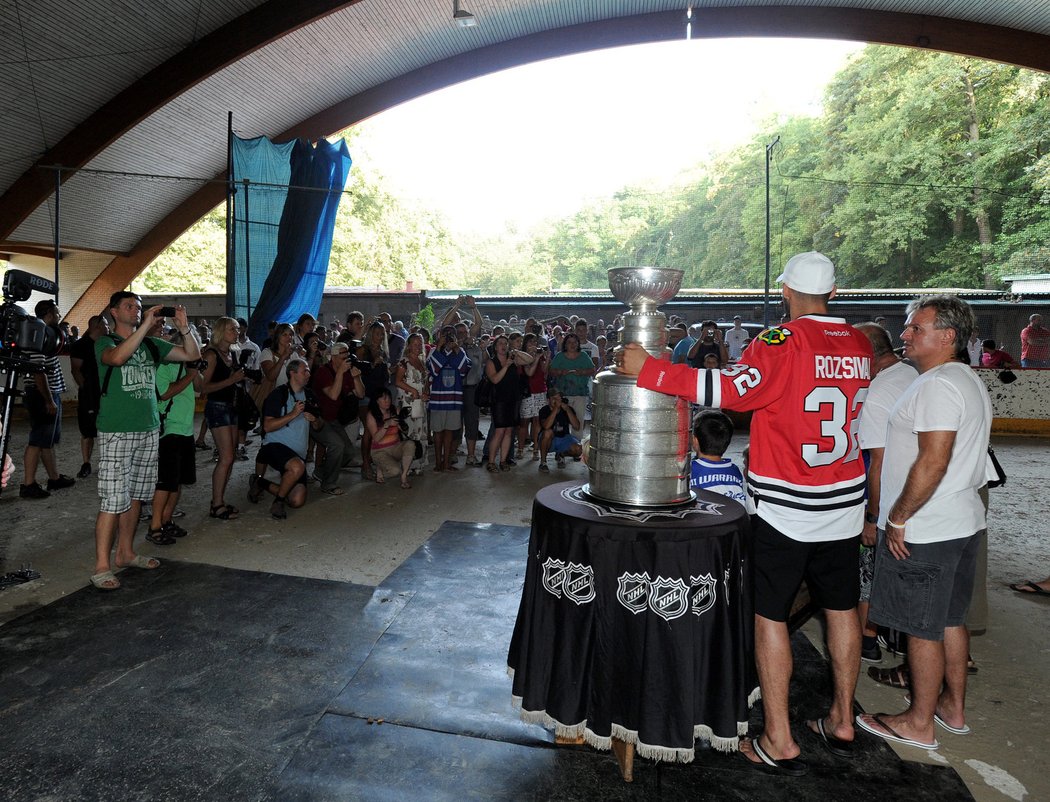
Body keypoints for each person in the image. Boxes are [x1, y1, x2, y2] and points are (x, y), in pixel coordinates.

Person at [620, 251, 873, 776]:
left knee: (770, 615)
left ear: (786, 291)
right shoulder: (859, 342)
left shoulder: (779, 341)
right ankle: (844, 717)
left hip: (787, 505)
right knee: (843, 608)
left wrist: (652, 371)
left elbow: (732, 392)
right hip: (845, 499)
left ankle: (779, 738)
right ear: (834, 292)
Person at [856, 295, 992, 751]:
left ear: (948, 337)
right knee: (950, 619)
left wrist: (896, 517)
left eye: (917, 327)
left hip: (927, 528)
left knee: (920, 627)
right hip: (960, 520)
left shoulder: (936, 386)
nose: (906, 335)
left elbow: (933, 460)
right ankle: (951, 708)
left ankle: (918, 721)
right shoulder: (961, 378)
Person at [90, 293, 201, 591]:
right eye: (130, 306)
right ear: (114, 311)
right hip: (117, 429)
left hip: (149, 428)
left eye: (140, 307)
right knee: (113, 499)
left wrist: (184, 327)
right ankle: (102, 565)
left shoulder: (153, 344)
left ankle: (125, 552)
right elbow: (117, 359)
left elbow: (191, 355)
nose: (137, 310)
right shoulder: (106, 341)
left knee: (137, 495)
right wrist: (145, 327)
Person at [854, 322, 918, 665]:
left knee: (868, 570)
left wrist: (872, 517)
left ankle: (867, 637)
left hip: (889, 496)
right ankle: (895, 636)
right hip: (913, 494)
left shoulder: (878, 392)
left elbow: (875, 462)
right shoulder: (911, 374)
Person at [146, 322, 201, 545]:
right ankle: (155, 525)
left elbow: (200, 387)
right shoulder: (164, 365)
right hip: (169, 430)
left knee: (177, 481)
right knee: (166, 482)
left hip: (185, 429)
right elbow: (164, 393)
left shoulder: (187, 366)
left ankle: (166, 520)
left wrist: (195, 370)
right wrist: (189, 374)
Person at [19, 299, 76, 499]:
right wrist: (49, 400)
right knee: (37, 440)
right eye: (57, 313)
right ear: (50, 314)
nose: (59, 316)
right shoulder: (38, 333)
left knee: (46, 441)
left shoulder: (42, 332)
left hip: (47, 395)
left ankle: (54, 478)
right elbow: (38, 371)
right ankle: (28, 484)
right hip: (41, 395)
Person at [249, 359, 317, 519]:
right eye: (304, 371)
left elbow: (319, 426)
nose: (308, 374)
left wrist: (315, 420)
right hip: (274, 445)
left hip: (296, 452)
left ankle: (259, 482)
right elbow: (267, 426)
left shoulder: (310, 395)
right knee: (297, 467)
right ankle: (278, 502)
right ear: (292, 373)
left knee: (297, 500)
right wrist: (293, 414)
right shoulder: (278, 394)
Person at [199, 317, 245, 520]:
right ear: (220, 331)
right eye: (232, 329)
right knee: (226, 457)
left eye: (237, 329)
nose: (236, 332)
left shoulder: (231, 354)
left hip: (231, 406)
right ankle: (217, 504)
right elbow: (201, 388)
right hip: (217, 407)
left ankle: (219, 500)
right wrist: (231, 380)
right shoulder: (212, 354)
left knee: (230, 456)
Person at [309, 341, 364, 494]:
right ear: (333, 357)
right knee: (337, 446)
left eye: (347, 356)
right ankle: (328, 483)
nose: (346, 360)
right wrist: (340, 373)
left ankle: (321, 472)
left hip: (334, 420)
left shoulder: (347, 372)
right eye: (342, 357)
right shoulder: (323, 372)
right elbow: (333, 395)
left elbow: (361, 394)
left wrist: (356, 378)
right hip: (317, 420)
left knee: (349, 452)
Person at [69, 313, 109, 479]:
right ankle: (86, 463)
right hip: (89, 395)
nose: (108, 327)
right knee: (87, 431)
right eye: (106, 324)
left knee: (108, 429)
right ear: (97, 326)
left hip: (107, 394)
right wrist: (85, 389)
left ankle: (107, 462)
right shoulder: (81, 345)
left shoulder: (108, 344)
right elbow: (75, 369)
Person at [484, 334, 531, 472]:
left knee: (509, 432)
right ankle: (491, 461)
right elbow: (495, 380)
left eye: (505, 343)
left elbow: (530, 359)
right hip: (499, 400)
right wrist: (506, 366)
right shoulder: (492, 363)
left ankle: (503, 460)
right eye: (500, 343)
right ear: (495, 347)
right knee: (499, 431)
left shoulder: (513, 358)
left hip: (513, 399)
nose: (503, 346)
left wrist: (516, 351)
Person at [427, 325, 471, 472]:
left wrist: (456, 349)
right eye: (446, 334)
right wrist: (439, 347)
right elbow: (433, 370)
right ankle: (438, 463)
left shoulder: (460, 351)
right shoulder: (434, 351)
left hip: (453, 399)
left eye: (451, 334)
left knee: (450, 432)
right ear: (439, 336)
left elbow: (464, 370)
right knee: (437, 432)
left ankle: (446, 462)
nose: (448, 337)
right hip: (438, 399)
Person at [689, 410, 746, 506]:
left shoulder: (690, 470)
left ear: (695, 441)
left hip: (708, 520)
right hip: (737, 518)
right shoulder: (735, 470)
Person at [364, 387, 414, 488]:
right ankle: (380, 468)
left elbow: (406, 431)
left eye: (389, 398)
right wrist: (386, 424)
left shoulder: (395, 410)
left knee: (410, 444)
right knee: (394, 471)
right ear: (376, 401)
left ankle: (403, 477)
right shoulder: (371, 415)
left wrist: (402, 424)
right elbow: (376, 439)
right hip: (379, 451)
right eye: (384, 398)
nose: (387, 401)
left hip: (395, 447)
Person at [394, 332, 429, 474]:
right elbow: (397, 381)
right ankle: (407, 465)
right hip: (408, 403)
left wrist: (425, 392)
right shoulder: (404, 363)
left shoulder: (422, 362)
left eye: (419, 344)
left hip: (420, 401)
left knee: (420, 432)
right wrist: (413, 391)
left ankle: (418, 463)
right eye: (415, 344)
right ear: (409, 346)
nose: (418, 347)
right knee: (409, 433)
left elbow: (425, 381)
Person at [549, 333, 595, 440]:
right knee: (562, 420)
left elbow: (592, 369)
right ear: (565, 344)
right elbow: (551, 371)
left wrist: (583, 372)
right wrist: (560, 372)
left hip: (580, 393)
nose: (572, 345)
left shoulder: (583, 356)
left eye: (575, 342)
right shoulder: (560, 356)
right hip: (563, 394)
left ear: (578, 343)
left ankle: (576, 445)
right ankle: (561, 447)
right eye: (569, 342)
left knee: (578, 420)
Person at [517, 332, 549, 461]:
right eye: (530, 342)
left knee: (537, 421)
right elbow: (528, 372)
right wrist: (535, 358)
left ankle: (536, 448)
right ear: (525, 344)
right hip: (528, 392)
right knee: (524, 421)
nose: (533, 345)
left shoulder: (539, 356)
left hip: (540, 390)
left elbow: (545, 371)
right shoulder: (522, 356)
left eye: (535, 342)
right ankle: (520, 448)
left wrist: (547, 357)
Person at [537, 388, 582, 471]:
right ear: (548, 400)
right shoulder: (544, 410)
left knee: (578, 450)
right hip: (549, 440)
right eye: (554, 398)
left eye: (559, 398)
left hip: (564, 438)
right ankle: (543, 462)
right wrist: (555, 409)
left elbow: (577, 426)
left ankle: (561, 454)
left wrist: (568, 410)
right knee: (548, 432)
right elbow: (546, 426)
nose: (557, 400)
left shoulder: (567, 409)